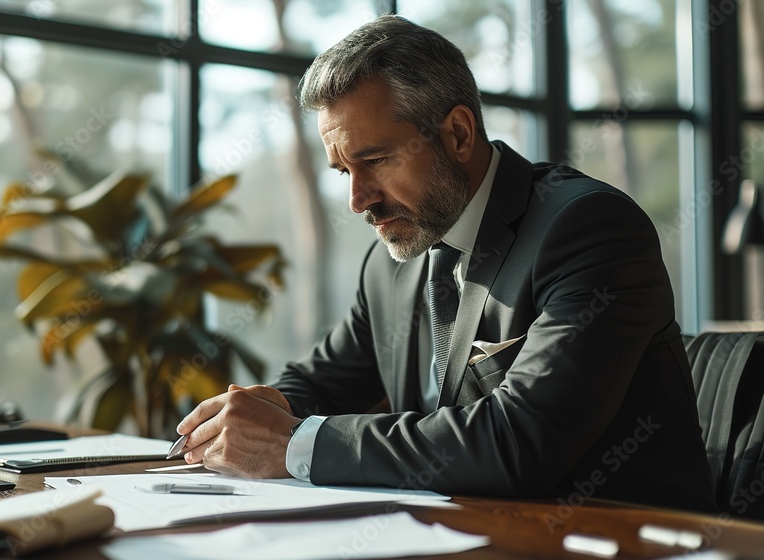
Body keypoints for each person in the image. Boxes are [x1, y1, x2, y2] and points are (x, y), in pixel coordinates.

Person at [176, 15, 717, 514]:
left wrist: (294, 443)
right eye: (344, 171)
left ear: (458, 133)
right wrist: (253, 416)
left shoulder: (588, 229)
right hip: (453, 533)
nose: (358, 200)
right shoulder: (391, 260)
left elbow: (521, 440)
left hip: (616, 538)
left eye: (375, 161)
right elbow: (323, 381)